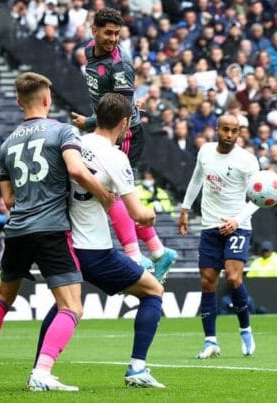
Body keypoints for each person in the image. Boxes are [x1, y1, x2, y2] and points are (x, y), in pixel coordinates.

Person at [0, 72, 113, 392]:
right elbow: (75, 168)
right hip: (51, 230)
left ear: (19, 103)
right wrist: (103, 194)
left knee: (2, 297)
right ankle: (42, 372)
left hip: (16, 230)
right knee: (72, 306)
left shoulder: (7, 143)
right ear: (47, 100)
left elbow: (8, 199)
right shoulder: (61, 131)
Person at [34, 94, 166, 388]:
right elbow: (138, 215)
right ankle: (137, 368)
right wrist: (152, 212)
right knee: (153, 291)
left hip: (62, 242)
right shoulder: (117, 158)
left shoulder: (73, 143)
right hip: (93, 249)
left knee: (63, 306)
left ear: (97, 115)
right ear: (125, 123)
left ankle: (39, 370)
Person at [70, 7, 176, 282]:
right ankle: (156, 251)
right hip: (108, 126)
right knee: (109, 191)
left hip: (124, 132)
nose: (113, 38)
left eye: (117, 33)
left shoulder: (119, 64)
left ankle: (134, 254)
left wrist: (90, 122)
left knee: (112, 192)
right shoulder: (89, 52)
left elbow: (123, 108)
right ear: (94, 31)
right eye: (108, 33)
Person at [179, 115, 261, 359]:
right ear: (217, 129)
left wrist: (236, 220)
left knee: (234, 278)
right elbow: (196, 178)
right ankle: (210, 341)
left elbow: (257, 198)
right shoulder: (205, 151)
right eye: (225, 129)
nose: (229, 134)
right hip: (209, 225)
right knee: (207, 282)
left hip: (238, 226)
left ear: (239, 133)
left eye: (234, 131)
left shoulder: (247, 160)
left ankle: (245, 329)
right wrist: (185, 208)